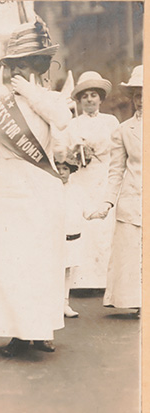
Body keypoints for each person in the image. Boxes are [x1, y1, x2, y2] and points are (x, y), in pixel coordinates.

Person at [0, 18, 72, 356]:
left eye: (26, 65)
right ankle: (15, 331)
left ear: (38, 66)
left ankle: (40, 329)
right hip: (9, 187)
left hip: (41, 186)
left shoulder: (48, 99)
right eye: (15, 66)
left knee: (42, 260)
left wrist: (31, 93)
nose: (19, 72)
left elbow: (63, 120)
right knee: (11, 261)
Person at [55, 71, 120, 290]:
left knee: (104, 227)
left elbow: (118, 151)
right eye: (85, 96)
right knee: (83, 224)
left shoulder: (111, 122)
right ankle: (82, 280)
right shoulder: (73, 125)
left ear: (101, 99)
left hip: (104, 177)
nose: (90, 100)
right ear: (80, 100)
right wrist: (73, 153)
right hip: (82, 178)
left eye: (94, 95)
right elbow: (61, 153)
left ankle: (105, 280)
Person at [86, 65, 142, 316]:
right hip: (133, 200)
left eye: (145, 92)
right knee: (133, 256)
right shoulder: (123, 130)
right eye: (136, 94)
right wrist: (107, 203)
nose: (140, 99)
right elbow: (116, 171)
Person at [56, 148, 88, 318]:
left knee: (67, 270)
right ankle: (52, 304)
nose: (61, 172)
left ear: (71, 171)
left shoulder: (76, 190)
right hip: (54, 238)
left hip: (70, 236)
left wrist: (97, 212)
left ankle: (64, 303)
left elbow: (85, 210)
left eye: (65, 169)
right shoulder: (50, 189)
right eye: (59, 168)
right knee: (54, 270)